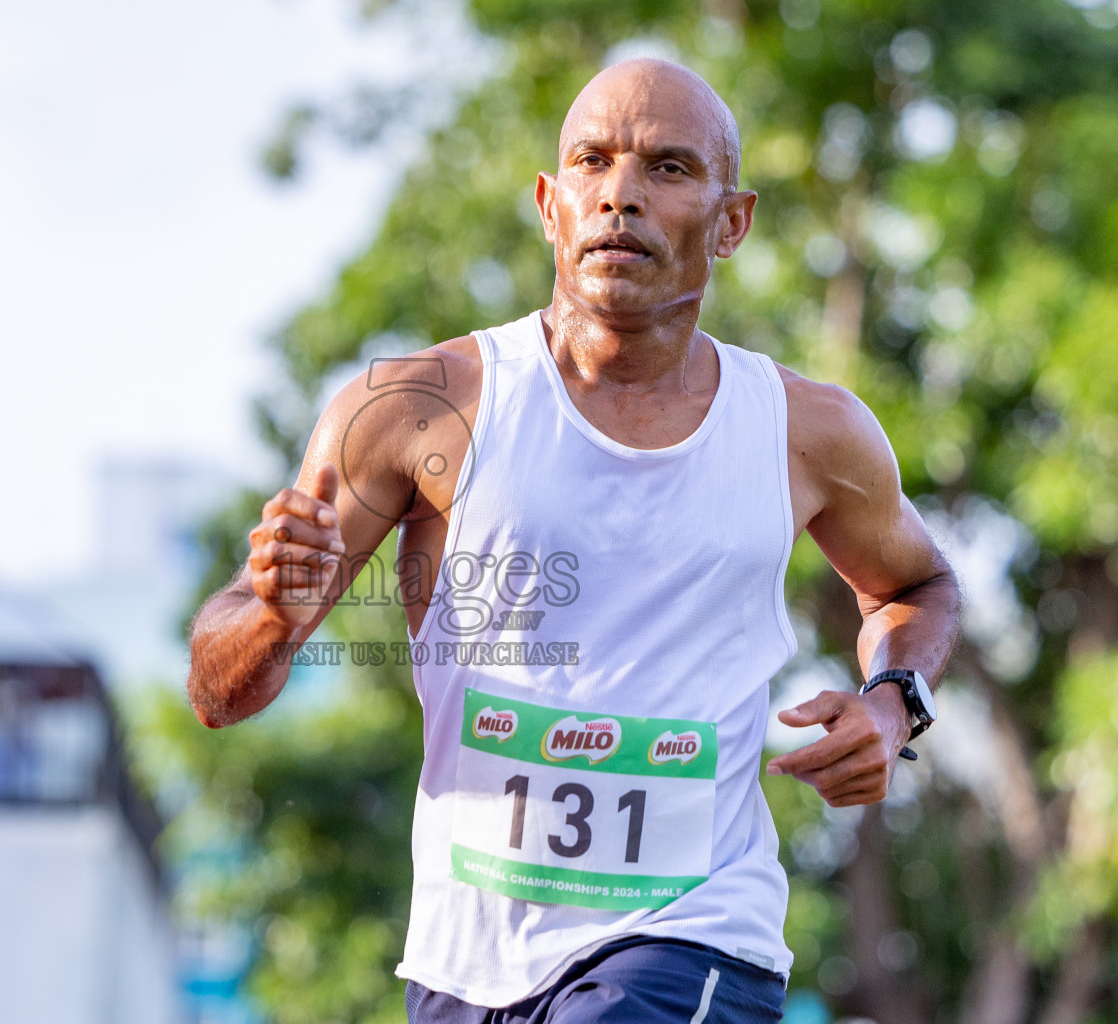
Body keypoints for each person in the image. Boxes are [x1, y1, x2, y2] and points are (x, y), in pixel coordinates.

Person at [187, 58, 960, 1024]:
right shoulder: (419, 411)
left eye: (669, 169)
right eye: (593, 162)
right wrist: (271, 613)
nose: (621, 195)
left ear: (733, 221)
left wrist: (893, 707)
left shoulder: (807, 432)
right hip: (467, 964)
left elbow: (918, 586)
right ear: (551, 206)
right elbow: (221, 693)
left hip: (696, 935)